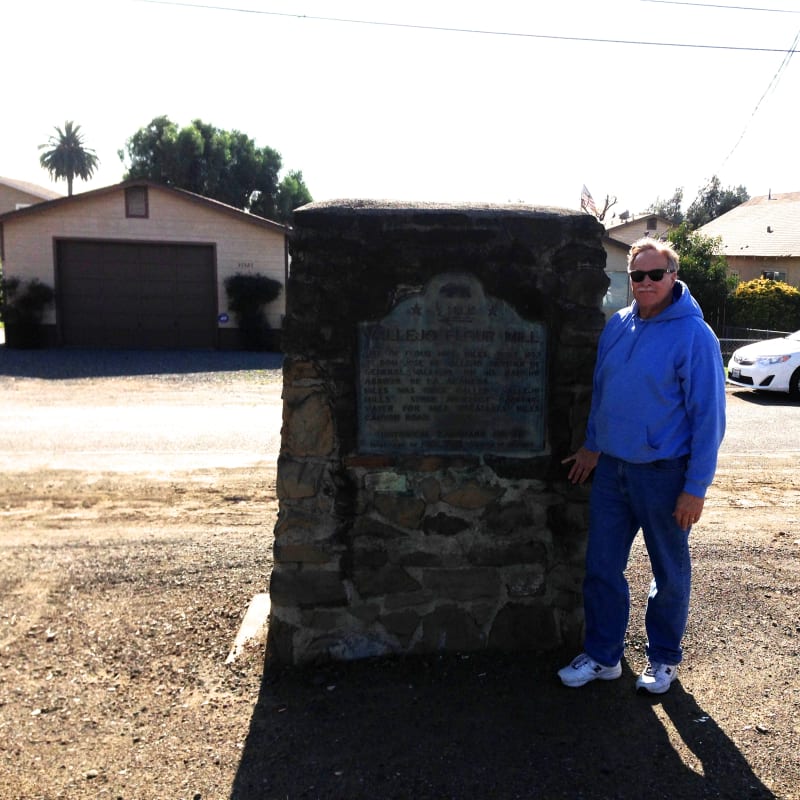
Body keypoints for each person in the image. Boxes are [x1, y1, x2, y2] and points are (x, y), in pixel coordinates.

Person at [558, 237, 726, 694]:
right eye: (638, 275)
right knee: (602, 567)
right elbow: (603, 394)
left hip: (665, 475)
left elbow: (709, 418)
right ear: (628, 279)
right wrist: (593, 445)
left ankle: (664, 659)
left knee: (668, 574)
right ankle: (603, 656)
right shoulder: (617, 326)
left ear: (673, 276)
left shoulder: (695, 335)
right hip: (612, 471)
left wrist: (696, 488)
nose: (646, 282)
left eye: (656, 274)